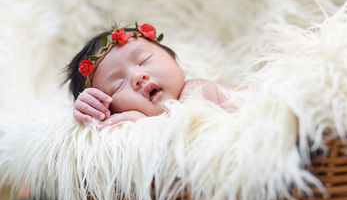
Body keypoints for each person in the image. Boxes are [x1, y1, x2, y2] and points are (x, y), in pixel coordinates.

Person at [65, 23, 239, 130]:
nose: (137, 76)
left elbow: (185, 135)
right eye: (117, 85)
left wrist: (145, 125)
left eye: (144, 60)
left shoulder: (197, 90)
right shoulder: (128, 133)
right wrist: (91, 112)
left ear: (171, 58)